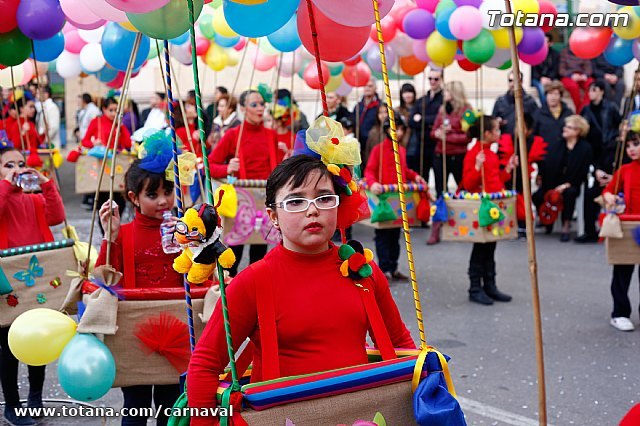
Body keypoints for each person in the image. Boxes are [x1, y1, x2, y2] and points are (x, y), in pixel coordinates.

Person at [186, 155, 415, 425]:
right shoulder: (252, 282)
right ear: (273, 216)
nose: (312, 210)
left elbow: (401, 344)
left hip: (360, 415)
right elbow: (205, 365)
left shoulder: (364, 270)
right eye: (296, 201)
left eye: (324, 198)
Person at [95, 135, 183, 426]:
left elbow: (197, 276)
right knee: (136, 404)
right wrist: (110, 235)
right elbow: (103, 278)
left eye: (168, 192)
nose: (163, 201)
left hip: (177, 330)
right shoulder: (125, 233)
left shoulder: (183, 231)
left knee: (171, 405)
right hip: (135, 332)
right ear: (133, 198)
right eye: (152, 195)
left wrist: (201, 240)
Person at [0, 142, 65, 426]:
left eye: (20, 163)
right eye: (8, 165)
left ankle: (35, 398)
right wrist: (6, 185)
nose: (17, 169)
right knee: (9, 347)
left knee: (37, 340)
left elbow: (56, 217)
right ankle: (12, 404)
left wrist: (45, 183)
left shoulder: (34, 198)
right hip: (7, 284)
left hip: (37, 281)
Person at [209, 88, 285, 276]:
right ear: (243, 108)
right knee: (234, 252)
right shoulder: (233, 134)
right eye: (254, 104)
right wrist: (227, 169)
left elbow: (277, 167)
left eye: (262, 104)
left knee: (259, 254)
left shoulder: (271, 134)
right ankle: (229, 292)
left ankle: (255, 290)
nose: (260, 108)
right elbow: (209, 164)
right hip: (241, 200)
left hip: (266, 198)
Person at [462, 116, 516, 305]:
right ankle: (475, 287)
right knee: (480, 247)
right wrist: (477, 166)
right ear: (487, 133)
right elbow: (468, 184)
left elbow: (496, 181)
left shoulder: (491, 154)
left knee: (490, 247)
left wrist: (507, 169)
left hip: (493, 206)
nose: (499, 133)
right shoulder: (474, 153)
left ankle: (490, 285)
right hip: (481, 208)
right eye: (496, 130)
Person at [365, 117, 426, 281]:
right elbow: (369, 170)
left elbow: (404, 170)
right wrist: (372, 183)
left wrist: (416, 176)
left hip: (398, 199)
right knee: (382, 235)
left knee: (395, 236)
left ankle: (393, 267)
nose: (398, 132)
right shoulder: (378, 150)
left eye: (400, 129)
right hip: (384, 198)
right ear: (386, 130)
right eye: (394, 128)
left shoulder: (402, 150)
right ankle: (384, 269)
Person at [602, 132, 640, 331]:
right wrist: (610, 196)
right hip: (626, 226)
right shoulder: (625, 169)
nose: (632, 149)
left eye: (637, 144)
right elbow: (609, 189)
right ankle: (619, 313)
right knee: (622, 271)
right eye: (629, 145)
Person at [533, 115, 593, 242]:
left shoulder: (585, 148)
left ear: (578, 131)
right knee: (537, 195)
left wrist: (566, 185)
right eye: (565, 126)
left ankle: (566, 225)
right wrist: (541, 176)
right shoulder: (557, 145)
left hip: (573, 184)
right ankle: (547, 220)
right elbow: (547, 164)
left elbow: (582, 172)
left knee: (569, 195)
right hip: (553, 182)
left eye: (569, 127)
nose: (564, 129)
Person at [428, 81, 472, 245]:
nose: (444, 94)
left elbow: (468, 136)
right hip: (441, 155)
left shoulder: (467, 110)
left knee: (463, 189)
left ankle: (465, 224)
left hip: (459, 156)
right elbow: (433, 132)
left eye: (447, 91)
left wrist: (449, 136)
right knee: (440, 191)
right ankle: (436, 227)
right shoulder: (442, 110)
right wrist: (438, 134)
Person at [577, 81, 621, 243]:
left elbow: (619, 125)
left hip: (610, 154)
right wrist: (595, 168)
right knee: (590, 194)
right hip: (594, 157)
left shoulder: (611, 108)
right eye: (589, 90)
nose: (591, 93)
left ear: (602, 91)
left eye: (594, 90)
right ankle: (590, 231)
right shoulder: (586, 110)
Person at [81, 97, 131, 232]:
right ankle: (105, 232)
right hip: (102, 167)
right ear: (103, 109)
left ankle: (117, 230)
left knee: (120, 202)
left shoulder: (119, 124)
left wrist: (120, 129)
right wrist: (94, 143)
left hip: (117, 166)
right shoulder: (96, 121)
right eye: (111, 110)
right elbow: (84, 141)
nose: (114, 113)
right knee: (103, 202)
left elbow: (128, 144)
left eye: (116, 110)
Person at [408, 68, 443, 183]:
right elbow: (411, 121)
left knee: (440, 179)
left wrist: (422, 119)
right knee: (422, 179)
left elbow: (440, 119)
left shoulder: (444, 100)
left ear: (441, 80)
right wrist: (430, 121)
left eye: (436, 79)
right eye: (430, 78)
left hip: (437, 145)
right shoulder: (422, 100)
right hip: (421, 144)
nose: (432, 81)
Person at [492, 71, 539, 137]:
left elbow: (536, 123)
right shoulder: (500, 101)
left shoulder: (530, 101)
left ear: (521, 82)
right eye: (510, 81)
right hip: (505, 142)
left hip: (525, 142)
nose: (513, 84)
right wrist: (498, 122)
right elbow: (492, 122)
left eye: (516, 81)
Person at [559, 46, 593, 113]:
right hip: (569, 76)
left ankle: (584, 108)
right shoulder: (564, 53)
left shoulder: (584, 52)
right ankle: (578, 110)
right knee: (573, 87)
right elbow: (561, 70)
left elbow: (589, 67)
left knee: (591, 83)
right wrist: (571, 75)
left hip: (582, 75)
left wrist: (585, 75)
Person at [354, 78, 380, 159]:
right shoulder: (358, 106)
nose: (367, 88)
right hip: (358, 143)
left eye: (370, 86)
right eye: (365, 86)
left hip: (373, 143)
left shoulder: (379, 106)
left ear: (375, 88)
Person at [531, 33, 559, 104]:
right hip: (537, 79)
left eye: (546, 42)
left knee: (556, 87)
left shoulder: (555, 54)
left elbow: (555, 69)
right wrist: (541, 78)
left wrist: (549, 78)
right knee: (541, 88)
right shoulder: (535, 53)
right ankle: (545, 107)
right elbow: (533, 70)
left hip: (550, 78)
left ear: (551, 43)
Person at [363, 103, 389, 167]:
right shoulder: (373, 131)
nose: (383, 115)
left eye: (385, 112)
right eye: (380, 113)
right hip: (375, 164)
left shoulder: (395, 131)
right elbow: (368, 150)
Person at [395, 83, 416, 147]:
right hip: (402, 143)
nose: (407, 95)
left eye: (410, 92)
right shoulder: (397, 111)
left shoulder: (419, 108)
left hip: (417, 142)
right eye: (405, 92)